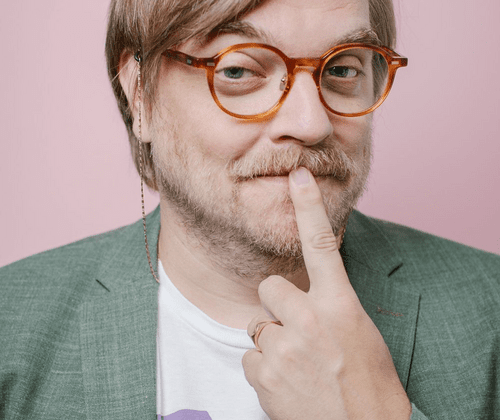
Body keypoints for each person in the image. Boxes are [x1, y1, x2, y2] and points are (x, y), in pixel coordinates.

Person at [0, 0, 498, 418]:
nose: (311, 123)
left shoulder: (490, 311)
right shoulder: (12, 324)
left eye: (343, 68)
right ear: (140, 95)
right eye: (238, 69)